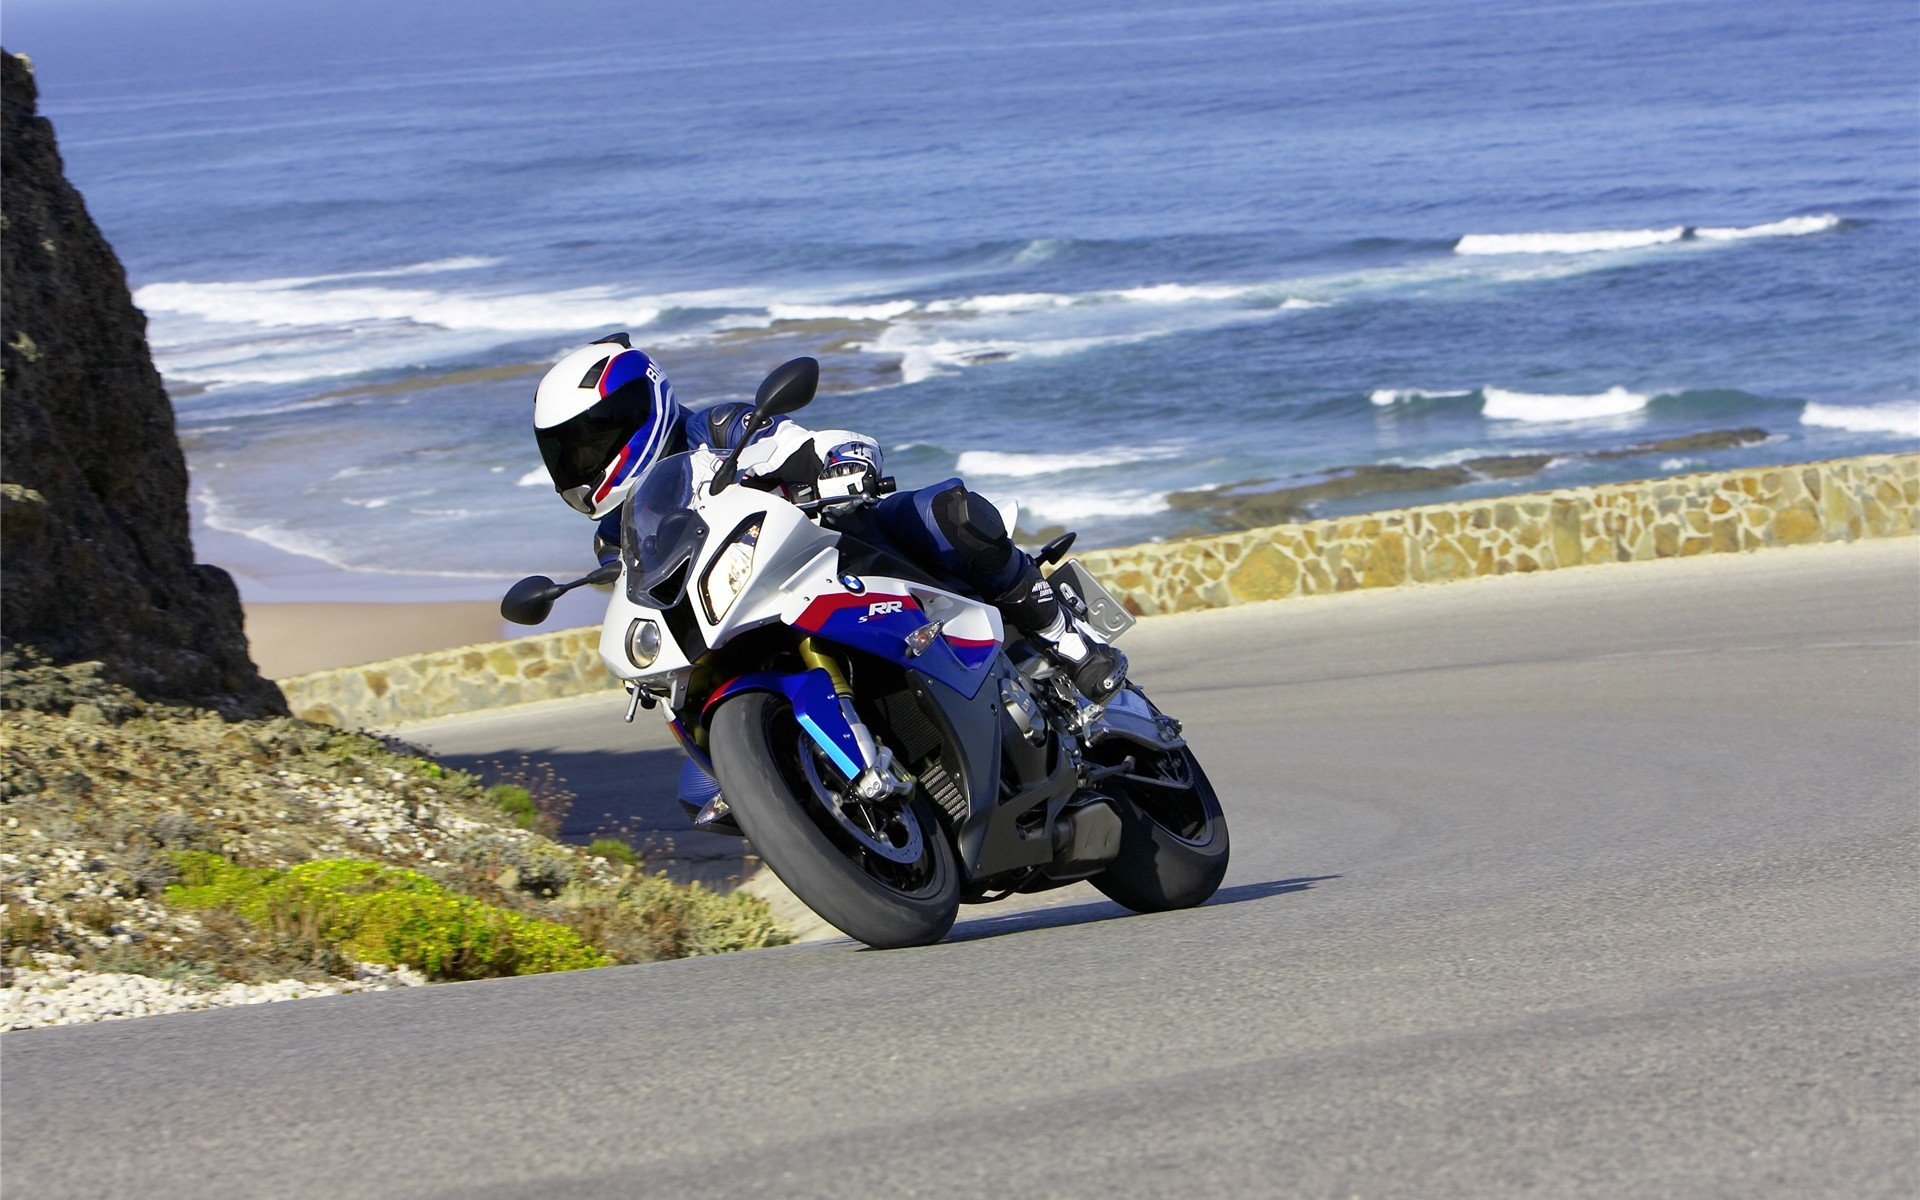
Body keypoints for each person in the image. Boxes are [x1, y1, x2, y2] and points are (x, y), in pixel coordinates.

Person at [532, 333, 1126, 701]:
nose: (582, 461)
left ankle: (1065, 637)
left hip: (844, 552)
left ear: (641, 407)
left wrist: (841, 463)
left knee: (952, 513)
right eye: (567, 452)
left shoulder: (719, 430)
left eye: (590, 440)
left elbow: (805, 442)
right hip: (752, 610)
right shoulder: (617, 533)